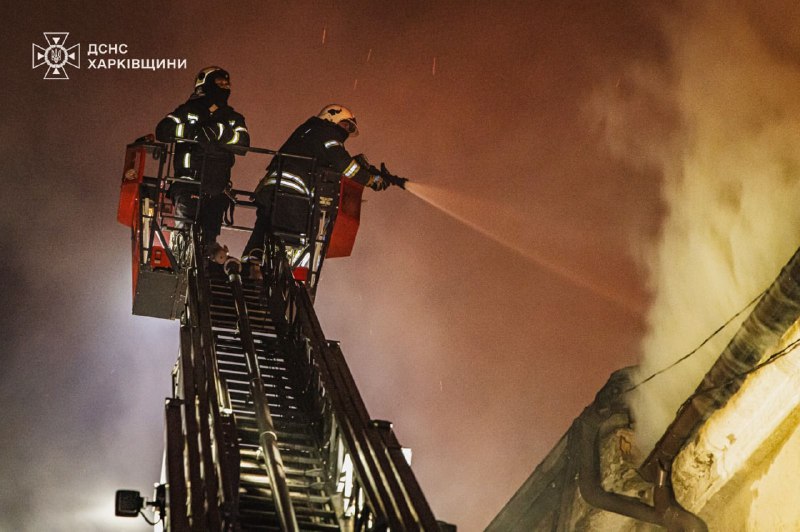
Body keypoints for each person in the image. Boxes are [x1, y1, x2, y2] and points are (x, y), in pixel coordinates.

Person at [242, 104, 390, 278]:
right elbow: (344, 165)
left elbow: (328, 162)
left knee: (265, 226)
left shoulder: (310, 131)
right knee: (292, 237)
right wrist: (371, 180)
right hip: (292, 192)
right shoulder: (327, 132)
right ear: (331, 116)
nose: (347, 131)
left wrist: (365, 168)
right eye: (345, 124)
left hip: (270, 188)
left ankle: (251, 264)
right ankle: (280, 277)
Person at [155, 66, 250, 264]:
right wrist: (193, 132)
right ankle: (182, 259)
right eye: (219, 83)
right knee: (184, 234)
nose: (225, 87)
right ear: (204, 84)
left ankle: (207, 257)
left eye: (226, 83)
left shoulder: (233, 118)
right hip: (188, 182)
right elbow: (163, 130)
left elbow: (243, 144)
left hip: (217, 188)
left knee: (209, 237)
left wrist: (220, 132)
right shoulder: (187, 111)